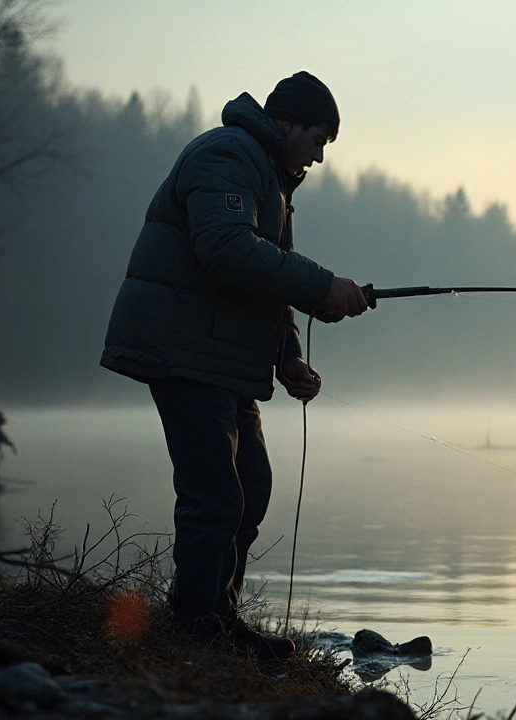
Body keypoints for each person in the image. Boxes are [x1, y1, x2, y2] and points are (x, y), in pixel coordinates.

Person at [100, 71, 370, 660]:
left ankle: (218, 621)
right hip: (183, 349)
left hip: (220, 355)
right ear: (289, 124)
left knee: (252, 488)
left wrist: (289, 359)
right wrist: (323, 286)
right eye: (320, 139)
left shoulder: (270, 179)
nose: (320, 156)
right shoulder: (227, 153)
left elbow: (265, 276)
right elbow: (225, 251)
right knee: (216, 496)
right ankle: (195, 630)